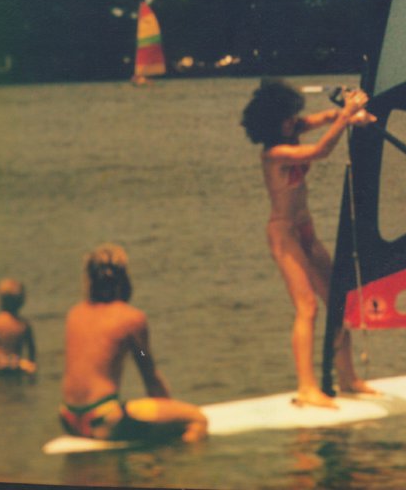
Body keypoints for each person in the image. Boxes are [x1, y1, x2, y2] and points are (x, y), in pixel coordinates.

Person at [240, 79, 377, 407]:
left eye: (292, 116)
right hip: (284, 234)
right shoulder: (276, 153)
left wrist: (350, 110)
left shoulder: (294, 128)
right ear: (273, 124)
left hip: (306, 231)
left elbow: (327, 118)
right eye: (286, 118)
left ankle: (348, 378)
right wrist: (347, 117)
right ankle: (306, 388)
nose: (293, 121)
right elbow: (320, 151)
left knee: (338, 303)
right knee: (308, 307)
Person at [59, 244, 207, 444]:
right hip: (105, 419)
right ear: (124, 278)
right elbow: (149, 374)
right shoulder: (131, 319)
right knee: (197, 420)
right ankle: (176, 467)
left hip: (69, 419)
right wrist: (169, 416)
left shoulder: (74, 314)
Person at [0, 278, 36, 380]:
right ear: (21, 302)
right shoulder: (24, 324)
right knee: (29, 368)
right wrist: (31, 363)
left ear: (1, 301)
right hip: (16, 363)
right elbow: (31, 348)